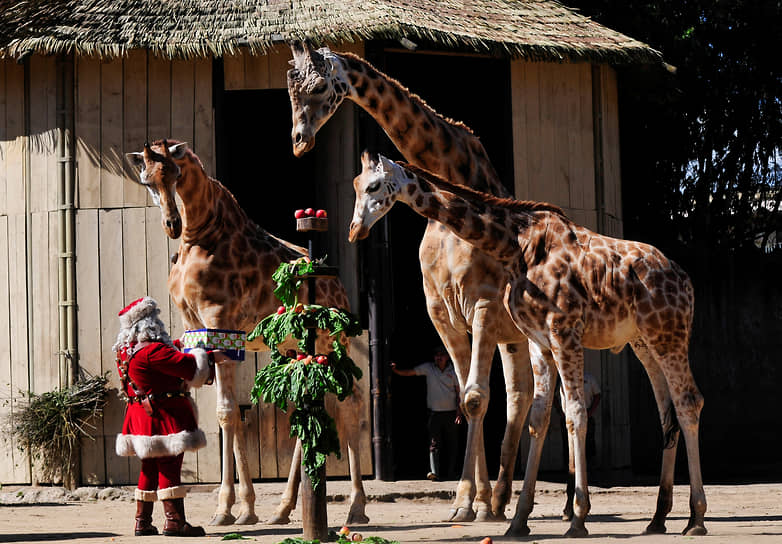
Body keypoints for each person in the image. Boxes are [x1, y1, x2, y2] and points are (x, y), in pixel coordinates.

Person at [113, 296, 229, 537]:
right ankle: (174, 522)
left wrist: (182, 342)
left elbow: (164, 354)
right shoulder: (153, 352)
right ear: (148, 324)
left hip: (141, 416)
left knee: (149, 467)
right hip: (162, 416)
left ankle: (142, 522)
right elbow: (188, 368)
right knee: (169, 465)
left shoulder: (126, 350)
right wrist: (206, 355)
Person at [391, 345, 463, 481]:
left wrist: (459, 412)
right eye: (437, 355)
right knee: (434, 443)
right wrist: (396, 370)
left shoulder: (454, 371)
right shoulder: (428, 368)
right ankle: (434, 472)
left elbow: (459, 393)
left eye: (442, 354)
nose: (439, 357)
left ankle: (452, 472)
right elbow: (410, 372)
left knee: (452, 443)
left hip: (451, 413)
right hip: (434, 413)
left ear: (447, 357)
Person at [556, 371, 601, 521]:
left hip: (586, 418)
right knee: (570, 462)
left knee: (586, 456)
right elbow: (558, 397)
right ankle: (573, 501)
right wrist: (562, 413)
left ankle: (582, 497)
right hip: (569, 420)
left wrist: (589, 413)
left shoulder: (589, 378)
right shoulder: (563, 378)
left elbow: (597, 395)